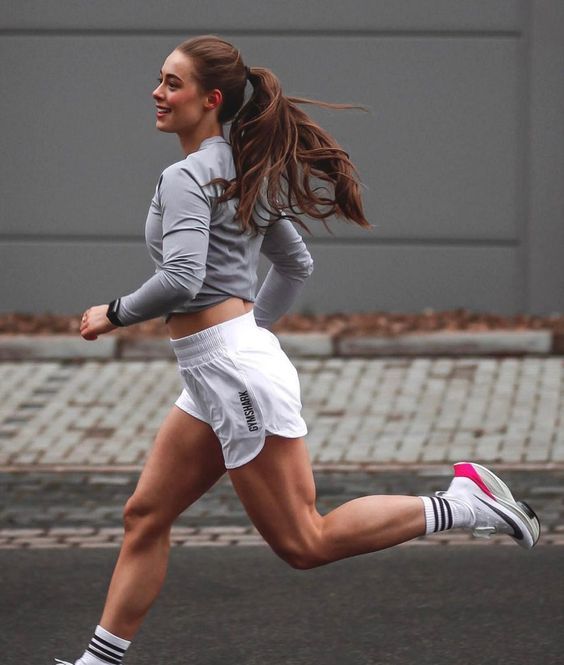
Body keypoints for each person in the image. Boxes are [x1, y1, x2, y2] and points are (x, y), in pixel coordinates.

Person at [59, 34, 540, 665]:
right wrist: (250, 334)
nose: (157, 92)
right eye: (160, 79)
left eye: (172, 83)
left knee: (304, 541)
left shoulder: (186, 177)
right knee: (144, 514)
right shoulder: (240, 168)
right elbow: (295, 263)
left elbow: (180, 278)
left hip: (229, 370)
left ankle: (463, 505)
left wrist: (112, 314)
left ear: (211, 99)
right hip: (220, 369)